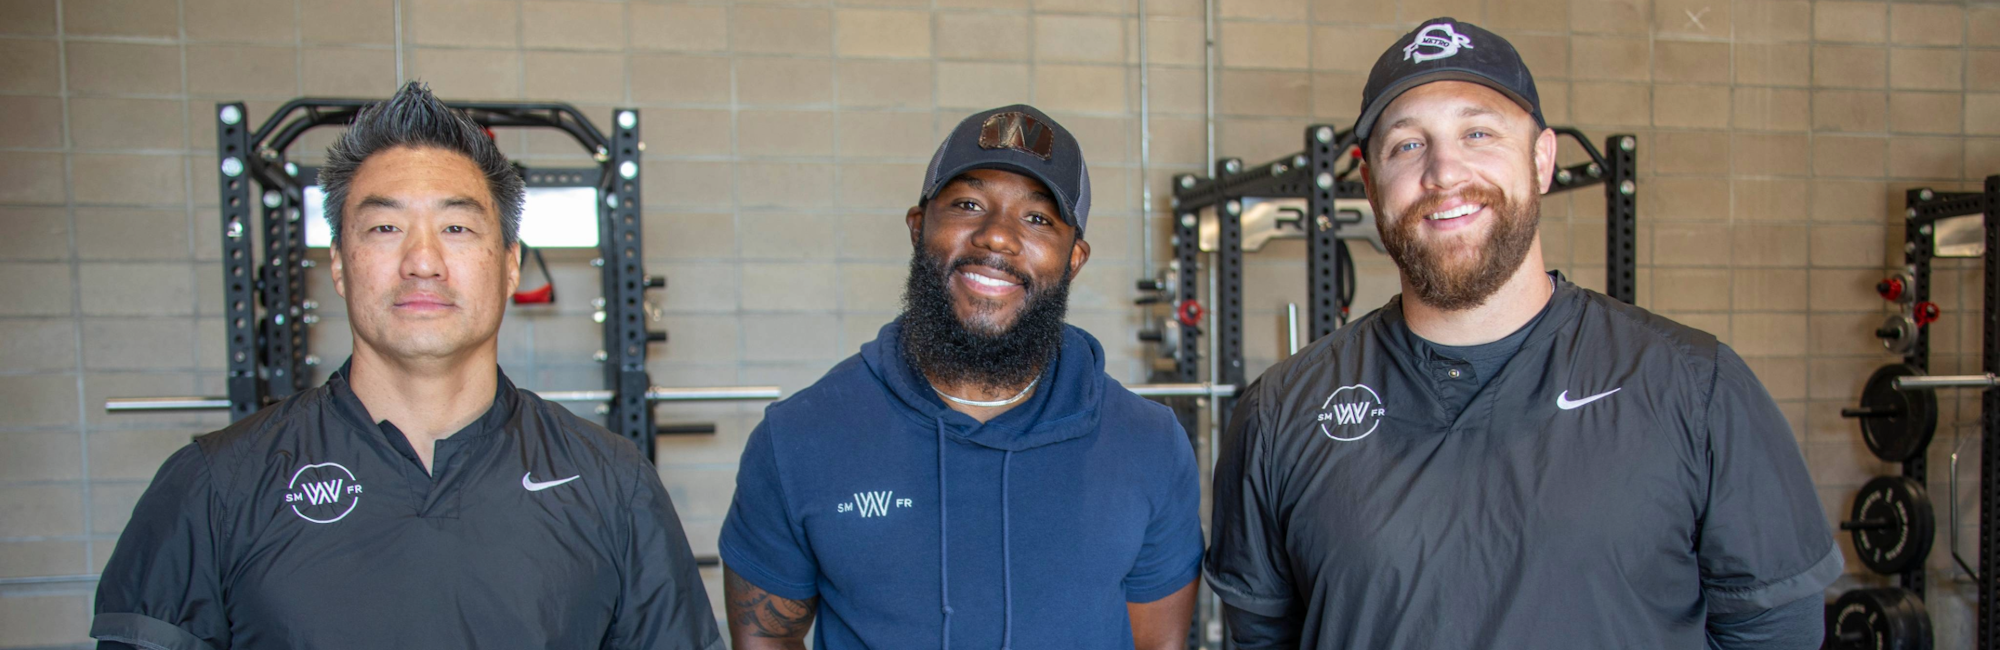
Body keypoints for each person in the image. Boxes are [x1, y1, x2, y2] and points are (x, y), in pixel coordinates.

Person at [1204, 18, 1840, 649]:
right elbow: (1263, 638)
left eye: (1478, 132)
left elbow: (1773, 633)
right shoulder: (1281, 412)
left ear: (1542, 160)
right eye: (1407, 145)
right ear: (1370, 186)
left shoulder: (1694, 385)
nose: (1444, 173)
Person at [90, 82, 721, 650]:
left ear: (508, 266)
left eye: (456, 227)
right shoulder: (212, 487)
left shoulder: (613, 485)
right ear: (339, 263)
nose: (423, 261)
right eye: (386, 226)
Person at [718, 105, 1203, 649]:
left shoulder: (1148, 444)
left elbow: (1157, 645)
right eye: (968, 204)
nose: (997, 237)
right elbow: (766, 641)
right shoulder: (800, 438)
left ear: (1074, 258)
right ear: (918, 226)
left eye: (1038, 218)